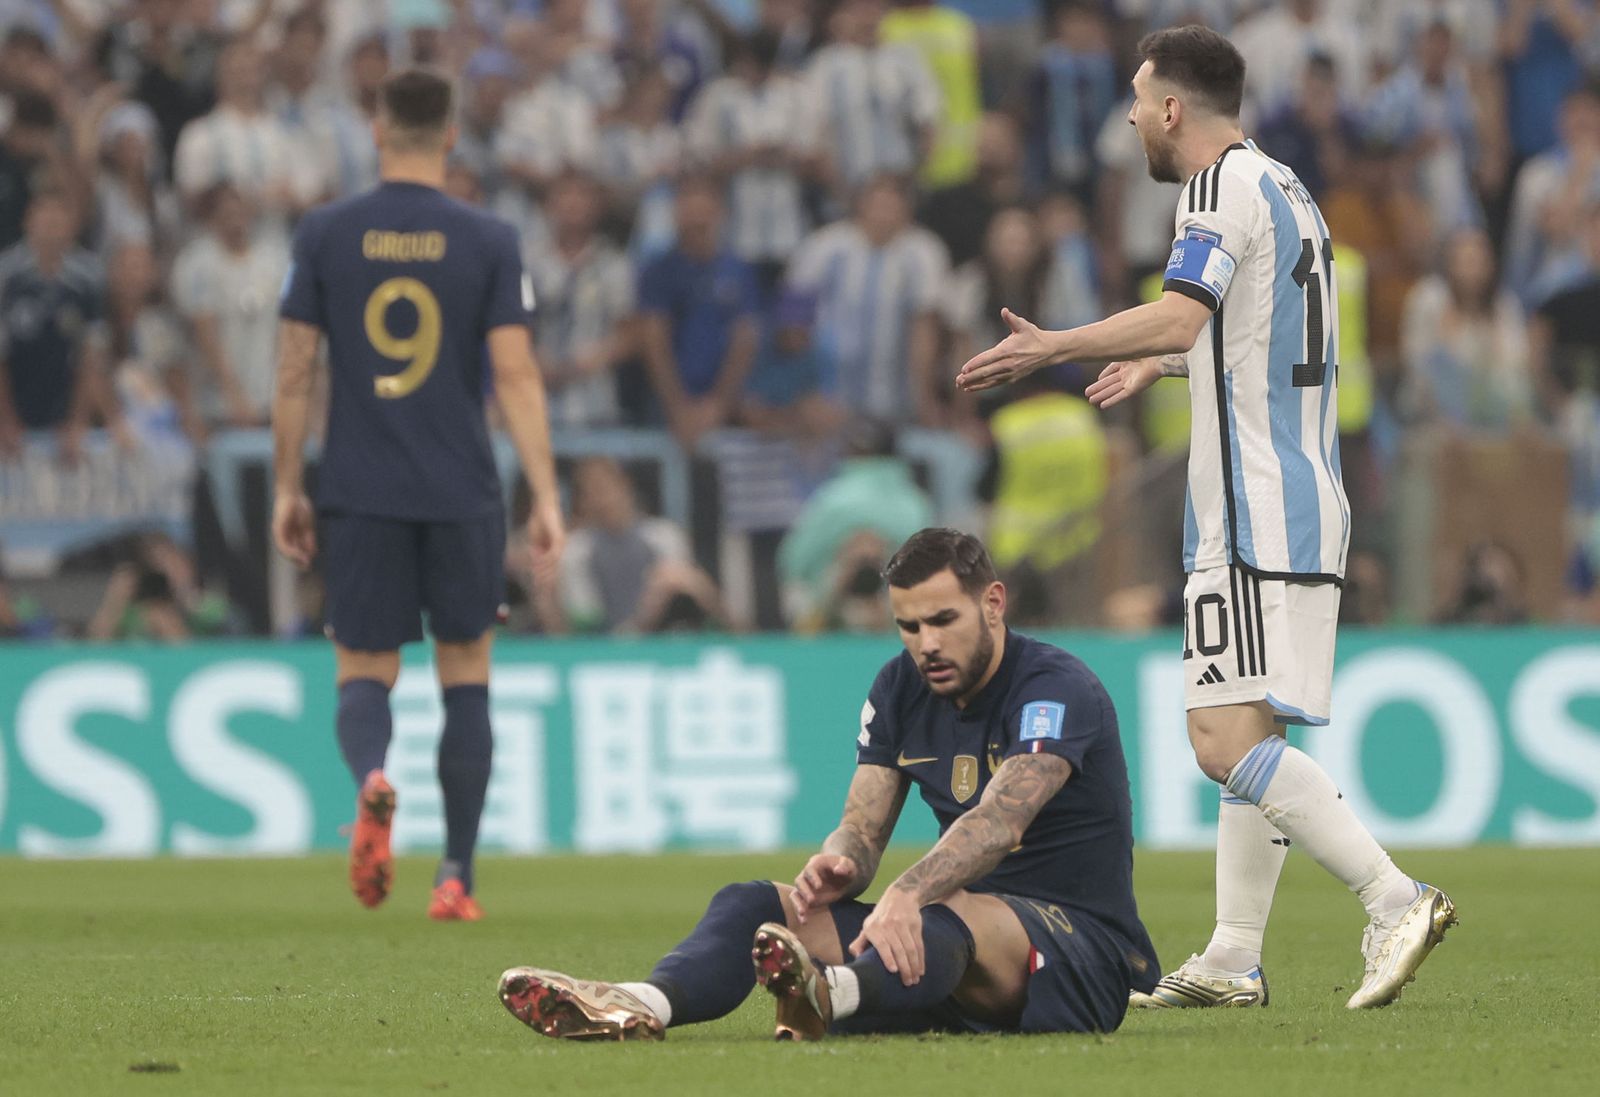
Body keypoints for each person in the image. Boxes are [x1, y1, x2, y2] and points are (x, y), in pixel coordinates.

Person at [956, 25, 1456, 1011]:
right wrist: (1167, 360)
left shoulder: (1214, 185)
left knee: (1221, 737)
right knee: (1251, 723)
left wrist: (1056, 343)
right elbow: (1252, 331)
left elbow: (1185, 310)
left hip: (1251, 505)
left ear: (1174, 109)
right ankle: (1233, 953)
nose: (1134, 116)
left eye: (1140, 100)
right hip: (1300, 494)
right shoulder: (1287, 188)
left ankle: (1394, 896)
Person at [497, 527, 1160, 1042]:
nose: (925, 643)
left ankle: (831, 992)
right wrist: (843, 859)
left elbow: (999, 822)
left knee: (944, 908)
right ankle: (641, 1002)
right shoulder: (901, 687)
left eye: (942, 620)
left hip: (1083, 954)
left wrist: (904, 891)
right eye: (908, 625)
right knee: (761, 903)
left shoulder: (1055, 686)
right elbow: (865, 826)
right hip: (945, 946)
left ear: (992, 603)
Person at [272, 67, 565, 922]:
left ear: (375, 131)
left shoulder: (325, 232)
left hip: (358, 488)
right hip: (460, 490)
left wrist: (289, 483)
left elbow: (295, 369)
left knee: (364, 669)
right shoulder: (488, 237)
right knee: (464, 673)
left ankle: (371, 780)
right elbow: (514, 371)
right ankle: (457, 875)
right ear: (449, 134)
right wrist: (545, 491)